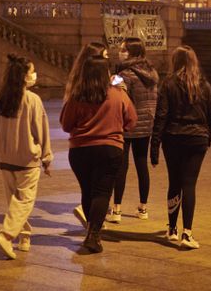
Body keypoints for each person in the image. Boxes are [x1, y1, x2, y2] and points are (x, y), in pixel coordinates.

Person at [61, 55, 137, 253]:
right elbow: (132, 120)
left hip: (80, 151)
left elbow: (66, 124)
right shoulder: (118, 94)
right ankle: (94, 234)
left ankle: (91, 231)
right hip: (110, 149)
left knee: (87, 191)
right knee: (102, 192)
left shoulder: (77, 96)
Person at [151, 45, 211, 250]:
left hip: (173, 138)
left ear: (175, 62)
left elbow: (161, 116)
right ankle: (187, 233)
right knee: (189, 184)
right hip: (197, 140)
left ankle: (172, 229)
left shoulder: (168, 84)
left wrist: (155, 145)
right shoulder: (203, 85)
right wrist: (207, 139)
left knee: (174, 182)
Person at [0, 55, 53, 260]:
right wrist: (46, 156)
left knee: (14, 202)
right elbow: (41, 130)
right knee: (24, 202)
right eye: (31, 71)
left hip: (6, 159)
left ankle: (24, 236)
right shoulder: (33, 100)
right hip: (27, 160)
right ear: (24, 77)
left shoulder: (0, 99)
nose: (34, 74)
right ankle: (7, 235)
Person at [106, 37, 159, 223]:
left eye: (123, 50)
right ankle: (143, 208)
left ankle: (117, 209)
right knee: (141, 164)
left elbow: (113, 98)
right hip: (146, 124)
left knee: (122, 166)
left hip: (127, 124)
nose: (120, 52)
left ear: (132, 53)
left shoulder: (124, 75)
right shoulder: (151, 72)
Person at [63, 41, 108, 228]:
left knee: (91, 187)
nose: (107, 60)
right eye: (104, 56)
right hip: (96, 141)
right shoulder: (84, 87)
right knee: (98, 188)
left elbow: (67, 122)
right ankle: (94, 221)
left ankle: (93, 220)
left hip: (81, 145)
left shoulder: (78, 83)